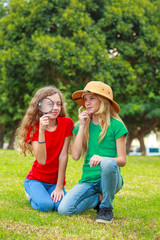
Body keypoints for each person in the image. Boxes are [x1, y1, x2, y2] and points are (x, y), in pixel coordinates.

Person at [58, 81, 128, 223]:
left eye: (92, 98)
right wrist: (83, 125)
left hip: (110, 179)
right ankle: (99, 199)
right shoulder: (82, 125)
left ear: (103, 101)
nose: (87, 103)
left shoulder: (116, 125)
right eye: (85, 99)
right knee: (64, 210)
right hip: (89, 181)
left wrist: (103, 158)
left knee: (108, 162)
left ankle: (106, 207)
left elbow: (122, 160)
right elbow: (76, 156)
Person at [17, 86, 74, 212]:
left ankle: (46, 193)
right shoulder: (34, 127)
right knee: (46, 206)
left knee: (59, 207)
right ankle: (31, 194)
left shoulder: (67, 123)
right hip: (36, 180)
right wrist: (42, 131)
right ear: (40, 106)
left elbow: (63, 156)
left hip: (55, 182)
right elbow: (42, 160)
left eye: (58, 104)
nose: (55, 108)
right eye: (50, 104)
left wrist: (59, 187)